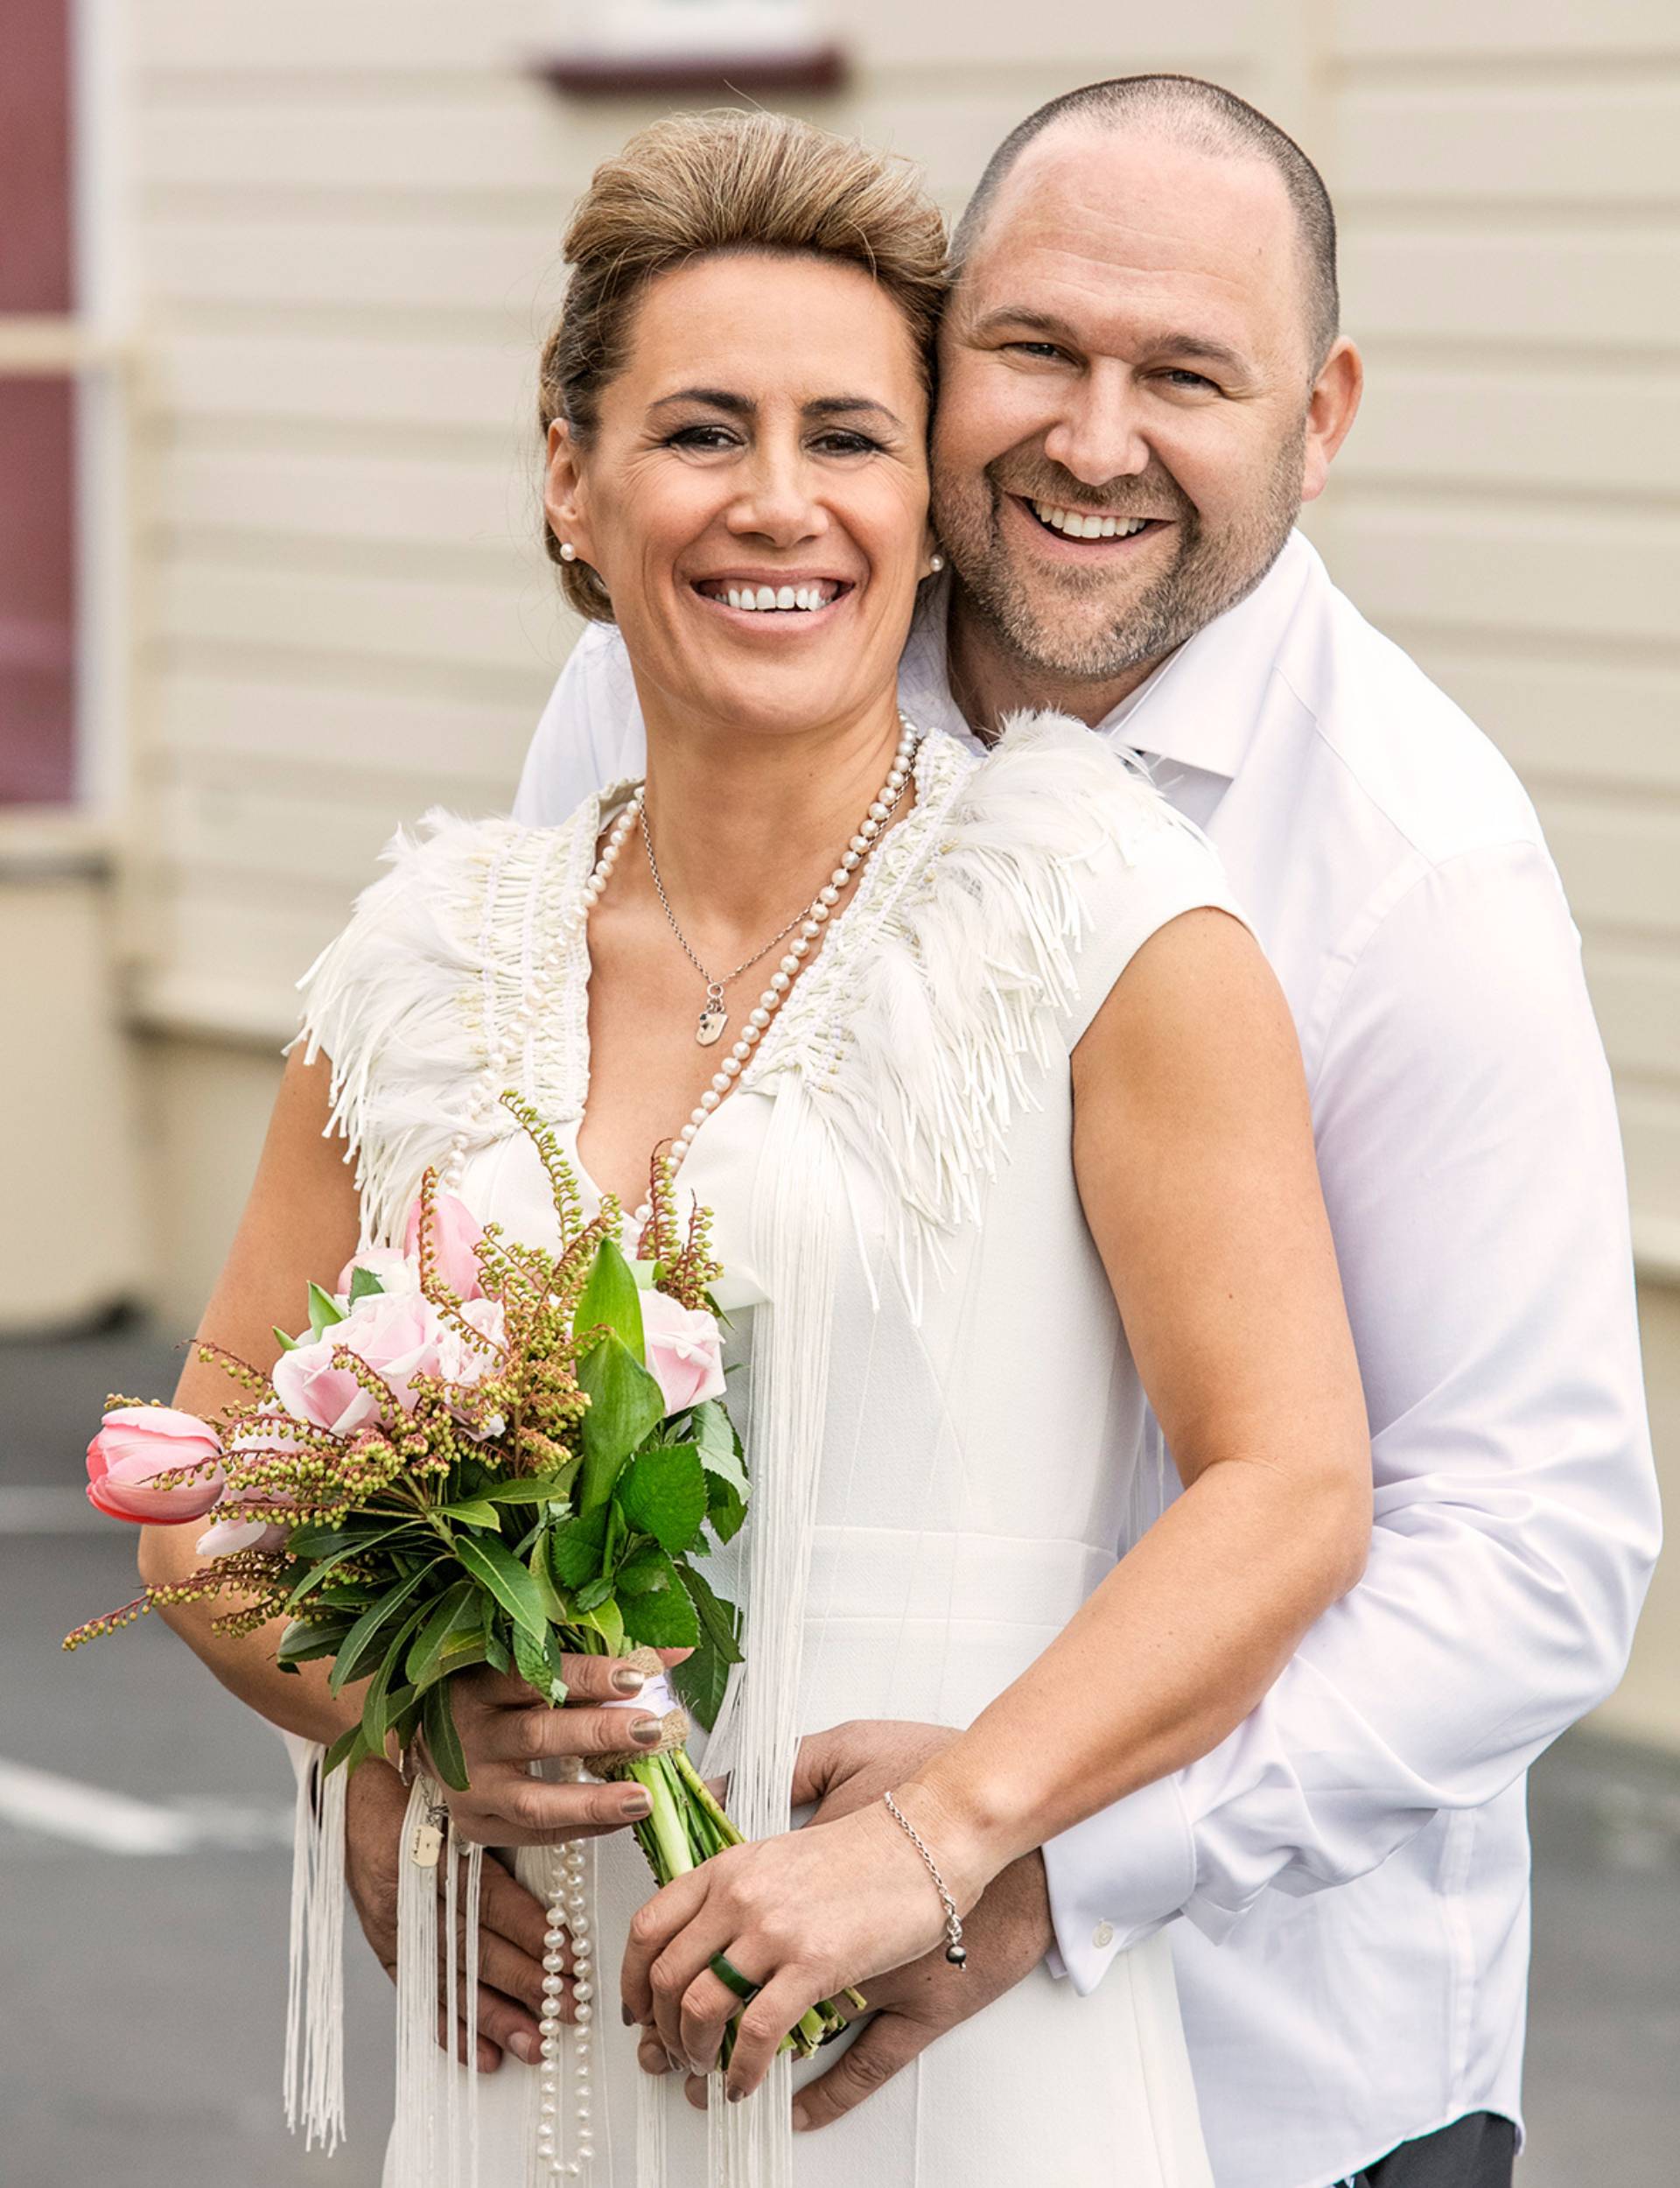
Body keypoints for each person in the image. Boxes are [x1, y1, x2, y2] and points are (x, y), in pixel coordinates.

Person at [137, 105, 1375, 2188]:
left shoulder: (1104, 921)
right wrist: (403, 1715)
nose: (778, 502)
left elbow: (1292, 1486)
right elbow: (205, 1491)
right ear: (572, 475)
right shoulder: (423, 959)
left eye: (851, 436)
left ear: (926, 499)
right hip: (529, 2066)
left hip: (936, 2069)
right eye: (702, 431)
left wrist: (944, 1830)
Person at [499, 74, 1662, 2188]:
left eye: (1186, 377)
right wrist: (417, 1739)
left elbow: (1528, 1541)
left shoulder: (1414, 861)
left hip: (1260, 2078)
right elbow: (532, 1253)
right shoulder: (711, 662)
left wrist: (1036, 1854)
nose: (1094, 440)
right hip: (709, 2000)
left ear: (1320, 418)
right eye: (1034, 348)